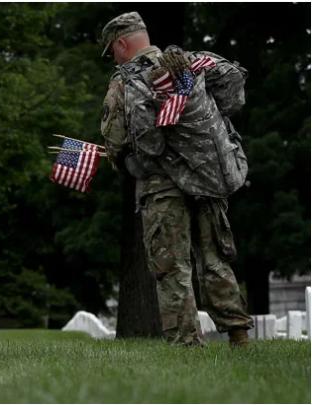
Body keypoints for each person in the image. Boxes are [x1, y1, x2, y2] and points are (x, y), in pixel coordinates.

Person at [99, 11, 254, 346]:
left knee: (172, 267)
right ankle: (238, 335)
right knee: (215, 259)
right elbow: (232, 100)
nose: (114, 56)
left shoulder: (126, 80)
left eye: (112, 49)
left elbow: (129, 142)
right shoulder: (192, 64)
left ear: (122, 43)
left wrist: (119, 156)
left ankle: (186, 344)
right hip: (208, 177)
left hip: (161, 187)